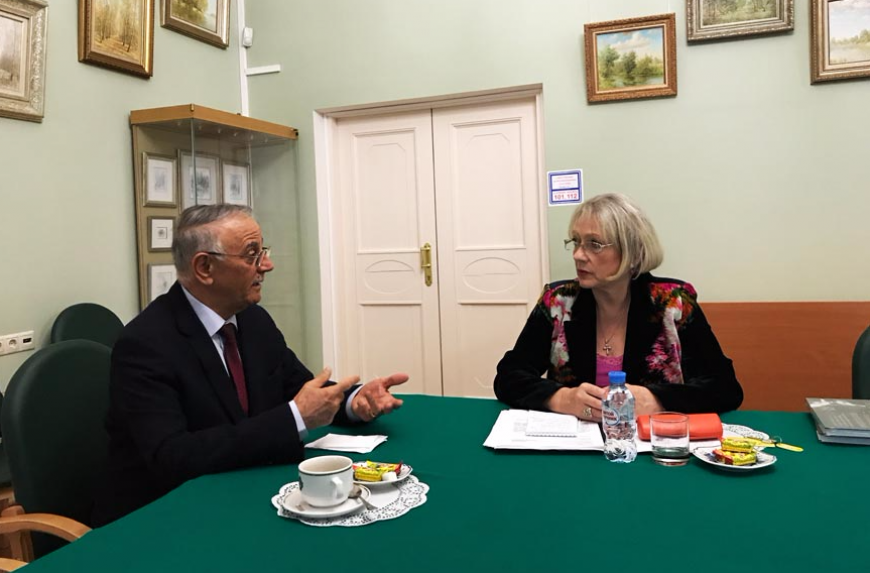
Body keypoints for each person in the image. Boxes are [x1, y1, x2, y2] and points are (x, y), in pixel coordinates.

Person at [93, 205, 408, 525]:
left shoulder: (253, 320)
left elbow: (298, 388)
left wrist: (354, 400)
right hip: (165, 516)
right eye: (251, 255)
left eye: (263, 252)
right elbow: (172, 457)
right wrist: (295, 418)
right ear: (204, 267)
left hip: (240, 489)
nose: (267, 265)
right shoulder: (146, 344)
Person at [494, 193, 742, 421]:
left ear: (632, 252)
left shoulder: (673, 302)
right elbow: (509, 376)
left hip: (650, 445)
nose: (578, 254)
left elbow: (725, 388)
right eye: (576, 241)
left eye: (594, 244)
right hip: (576, 445)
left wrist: (657, 400)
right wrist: (562, 399)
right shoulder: (558, 301)